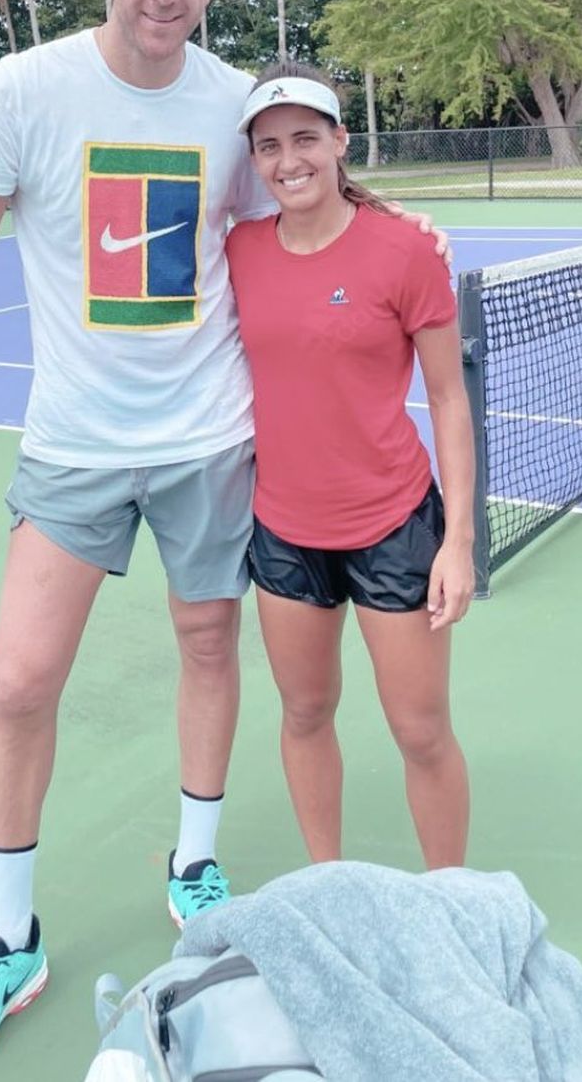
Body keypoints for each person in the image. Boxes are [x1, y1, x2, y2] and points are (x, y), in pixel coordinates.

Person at [0, 0, 448, 1081]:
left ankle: (193, 859)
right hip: (73, 445)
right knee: (18, 682)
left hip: (211, 439)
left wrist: (401, 224)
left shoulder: (230, 105)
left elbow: (306, 199)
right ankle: (9, 936)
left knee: (212, 647)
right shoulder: (28, 87)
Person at [226, 59, 475, 871]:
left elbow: (447, 400)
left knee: (420, 730)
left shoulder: (405, 252)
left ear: (341, 141)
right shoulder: (239, 251)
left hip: (395, 525)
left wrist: (458, 542)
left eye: (305, 138)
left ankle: (453, 904)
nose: (288, 160)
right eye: (268, 146)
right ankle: (328, 886)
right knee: (304, 712)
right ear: (254, 161)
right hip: (284, 532)